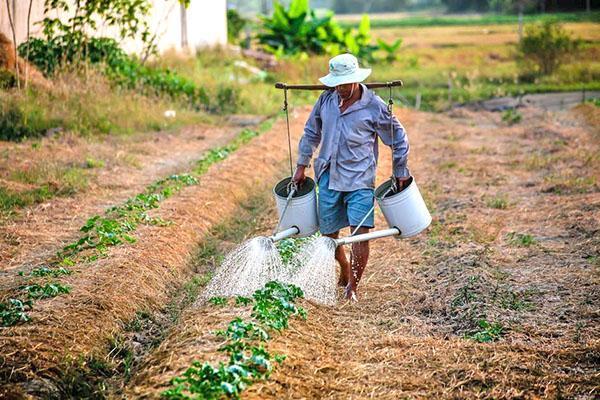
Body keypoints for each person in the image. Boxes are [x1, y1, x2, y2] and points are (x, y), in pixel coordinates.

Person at [292, 53, 410, 301]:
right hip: (328, 175)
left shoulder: (374, 106)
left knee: (360, 233)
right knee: (329, 236)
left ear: (356, 80)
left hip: (360, 179)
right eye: (337, 84)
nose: (341, 89)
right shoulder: (326, 100)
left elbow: (398, 138)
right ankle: (344, 267)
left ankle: (352, 288)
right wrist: (301, 165)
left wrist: (400, 171)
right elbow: (311, 132)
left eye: (346, 83)